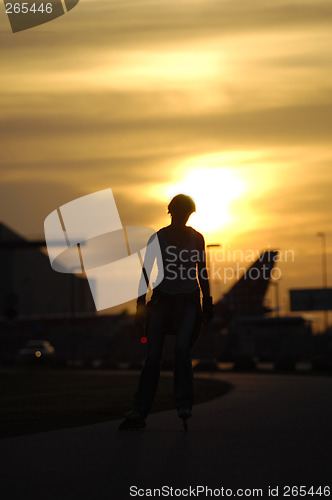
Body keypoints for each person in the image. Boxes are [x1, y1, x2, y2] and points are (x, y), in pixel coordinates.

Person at [119, 194, 213, 430]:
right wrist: (140, 307)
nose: (184, 217)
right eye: (180, 213)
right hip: (162, 302)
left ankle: (184, 404)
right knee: (153, 358)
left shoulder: (197, 239)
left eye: (187, 214)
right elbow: (145, 273)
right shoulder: (157, 239)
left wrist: (207, 302)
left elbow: (202, 271)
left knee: (182, 348)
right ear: (172, 213)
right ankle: (140, 411)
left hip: (189, 302)